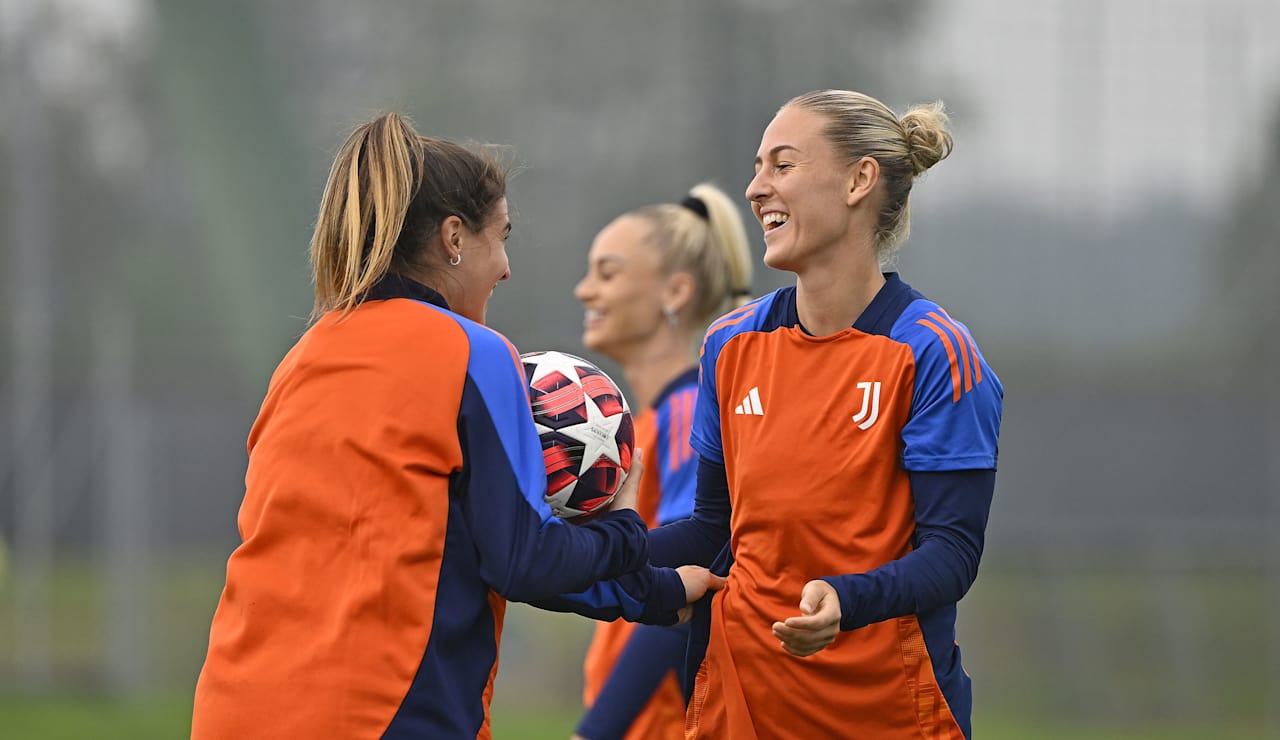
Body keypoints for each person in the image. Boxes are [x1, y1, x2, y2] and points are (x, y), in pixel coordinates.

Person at [190, 114, 721, 740]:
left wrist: (655, 593)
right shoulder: (473, 352)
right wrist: (628, 527)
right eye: (501, 237)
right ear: (453, 238)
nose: (506, 267)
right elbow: (526, 558)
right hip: (384, 716)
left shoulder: (303, 356)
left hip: (234, 707)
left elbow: (470, 553)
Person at [645, 90, 1004, 738]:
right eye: (757, 168)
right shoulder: (731, 344)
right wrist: (579, 552)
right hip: (736, 710)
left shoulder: (933, 352)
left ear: (859, 180)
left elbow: (951, 554)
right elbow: (711, 533)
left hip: (888, 717)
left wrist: (847, 598)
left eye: (782, 165)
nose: (756, 189)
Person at [570, 183, 753, 740]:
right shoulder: (650, 420)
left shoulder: (687, 417)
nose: (584, 290)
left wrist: (596, 731)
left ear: (675, 291)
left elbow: (687, 585)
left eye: (608, 272)